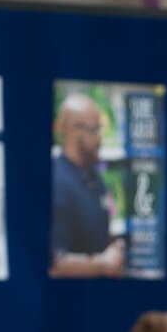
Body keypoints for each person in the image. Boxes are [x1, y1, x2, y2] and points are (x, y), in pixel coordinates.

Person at [49, 91, 125, 277]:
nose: (101, 138)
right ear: (74, 129)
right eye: (96, 129)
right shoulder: (57, 183)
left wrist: (114, 247)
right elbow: (55, 264)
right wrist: (102, 264)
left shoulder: (93, 176)